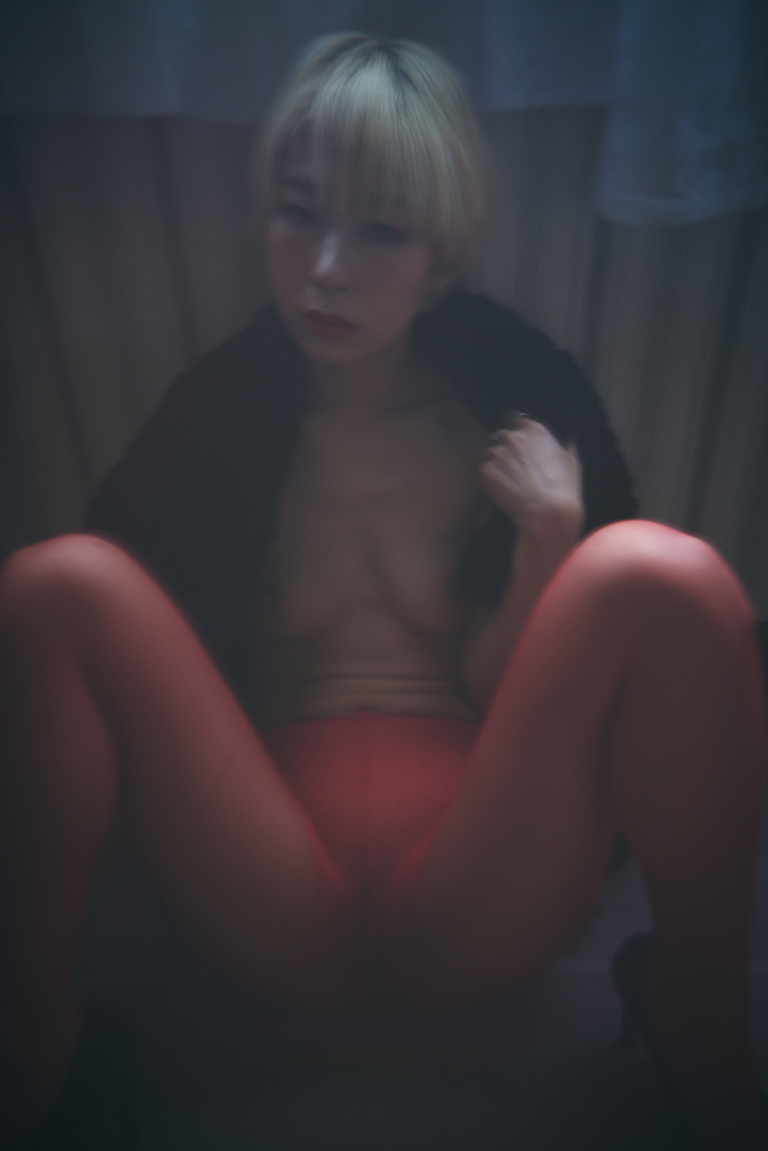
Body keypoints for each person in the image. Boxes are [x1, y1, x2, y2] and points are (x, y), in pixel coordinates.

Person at [0, 32, 766, 1149]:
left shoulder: (502, 425)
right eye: (299, 214)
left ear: (443, 262)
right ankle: (33, 1036)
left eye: (382, 232)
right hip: (269, 895)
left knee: (665, 570)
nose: (326, 268)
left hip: (479, 888)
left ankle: (700, 1019)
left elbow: (510, 695)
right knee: (51, 582)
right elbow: (157, 678)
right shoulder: (217, 439)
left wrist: (551, 538)